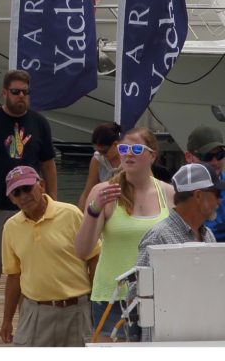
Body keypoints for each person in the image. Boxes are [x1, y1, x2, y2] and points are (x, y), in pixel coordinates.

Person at [0, 69, 57, 337]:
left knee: (30, 261)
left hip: (33, 205)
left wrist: (55, 203)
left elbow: (49, 165)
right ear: (4, 92)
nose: (21, 97)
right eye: (15, 92)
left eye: (26, 92)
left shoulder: (39, 122)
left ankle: (24, 316)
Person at [74, 127, 173, 342]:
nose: (128, 153)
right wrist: (94, 209)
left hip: (156, 295)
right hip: (112, 297)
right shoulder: (104, 191)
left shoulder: (168, 193)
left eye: (137, 148)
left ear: (152, 155)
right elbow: (82, 250)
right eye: (124, 148)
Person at [0, 167, 99, 347]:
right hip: (35, 311)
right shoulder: (10, 227)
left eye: (27, 188)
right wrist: (7, 320)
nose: (23, 196)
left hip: (78, 310)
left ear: (41, 185)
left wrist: (97, 305)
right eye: (16, 192)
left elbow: (94, 258)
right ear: (11, 198)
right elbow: (13, 276)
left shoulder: (71, 214)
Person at [133, 163, 221, 342]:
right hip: (168, 343)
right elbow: (135, 299)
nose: (219, 201)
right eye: (217, 195)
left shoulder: (208, 234)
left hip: (202, 338)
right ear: (198, 195)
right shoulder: (158, 237)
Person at [182, 125, 225, 240]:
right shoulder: (175, 191)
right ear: (188, 156)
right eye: (207, 156)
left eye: (220, 155)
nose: (215, 162)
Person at [77, 123, 121, 211]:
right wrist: (79, 217)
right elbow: (87, 193)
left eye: (104, 151)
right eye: (98, 151)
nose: (101, 155)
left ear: (116, 144)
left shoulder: (130, 158)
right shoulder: (97, 159)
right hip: (104, 206)